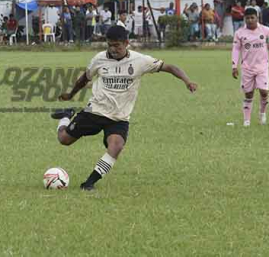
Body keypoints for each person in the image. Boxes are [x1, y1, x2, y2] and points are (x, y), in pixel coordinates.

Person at [50, 26, 197, 191]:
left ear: (126, 43)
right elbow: (84, 78)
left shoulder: (140, 60)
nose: (113, 49)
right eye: (109, 45)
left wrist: (187, 81)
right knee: (64, 139)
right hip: (95, 111)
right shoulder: (99, 59)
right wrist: (70, 94)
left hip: (119, 117)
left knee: (116, 146)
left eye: (117, 46)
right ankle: (66, 116)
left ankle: (89, 183)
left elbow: (170, 67)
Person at [231, 8, 269, 127]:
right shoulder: (239, 33)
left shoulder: (266, 31)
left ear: (257, 18)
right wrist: (234, 65)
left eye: (252, 17)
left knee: (264, 92)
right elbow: (236, 49)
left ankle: (262, 113)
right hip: (247, 68)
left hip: (262, 67)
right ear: (244, 19)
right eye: (247, 18)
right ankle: (246, 121)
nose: (250, 20)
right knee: (248, 94)